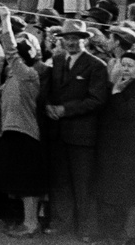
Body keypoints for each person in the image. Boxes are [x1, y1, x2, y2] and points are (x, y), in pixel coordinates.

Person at [41, 18, 109, 241]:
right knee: (60, 181)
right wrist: (48, 106)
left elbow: (97, 100)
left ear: (84, 41)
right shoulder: (57, 60)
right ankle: (62, 223)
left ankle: (87, 229)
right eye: (67, 38)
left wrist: (65, 109)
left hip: (82, 135)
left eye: (75, 39)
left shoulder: (97, 65)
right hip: (58, 132)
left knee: (83, 183)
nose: (71, 42)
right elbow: (49, 90)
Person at [0, 8, 47, 238]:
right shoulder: (14, 74)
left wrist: (5, 19)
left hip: (26, 133)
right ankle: (27, 220)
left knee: (27, 182)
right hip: (12, 131)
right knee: (19, 180)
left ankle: (31, 224)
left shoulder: (28, 74)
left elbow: (10, 49)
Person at [96, 51, 135, 242]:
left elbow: (127, 112)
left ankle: (130, 232)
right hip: (119, 148)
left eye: (130, 66)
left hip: (133, 150)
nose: (125, 69)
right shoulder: (122, 85)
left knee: (132, 192)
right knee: (119, 191)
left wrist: (116, 93)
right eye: (123, 64)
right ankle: (118, 232)